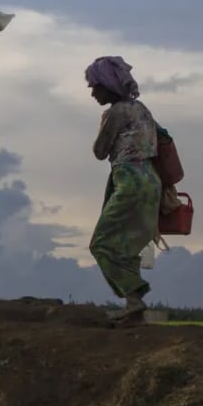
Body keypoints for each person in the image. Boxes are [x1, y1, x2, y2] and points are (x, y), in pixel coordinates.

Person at [85, 56, 162, 323]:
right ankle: (133, 307)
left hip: (130, 181)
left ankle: (134, 297)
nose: (93, 93)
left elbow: (99, 151)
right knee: (127, 247)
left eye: (95, 87)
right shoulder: (142, 109)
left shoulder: (115, 113)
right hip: (151, 182)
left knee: (101, 244)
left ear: (108, 85)